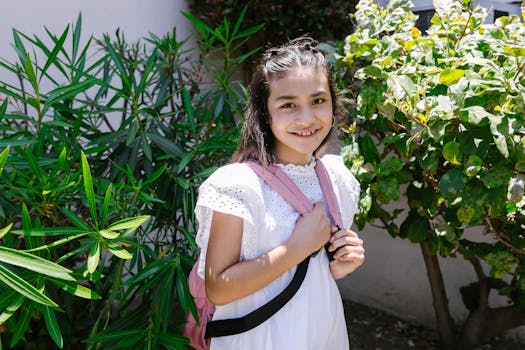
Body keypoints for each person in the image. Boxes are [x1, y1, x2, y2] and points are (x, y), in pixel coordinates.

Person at [194, 36, 364, 350]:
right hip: (258, 338)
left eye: (317, 100)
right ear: (265, 113)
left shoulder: (336, 178)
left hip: (323, 333)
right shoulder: (238, 185)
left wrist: (341, 260)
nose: (307, 118)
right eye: (288, 105)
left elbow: (314, 274)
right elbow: (218, 288)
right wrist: (296, 248)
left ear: (333, 103)